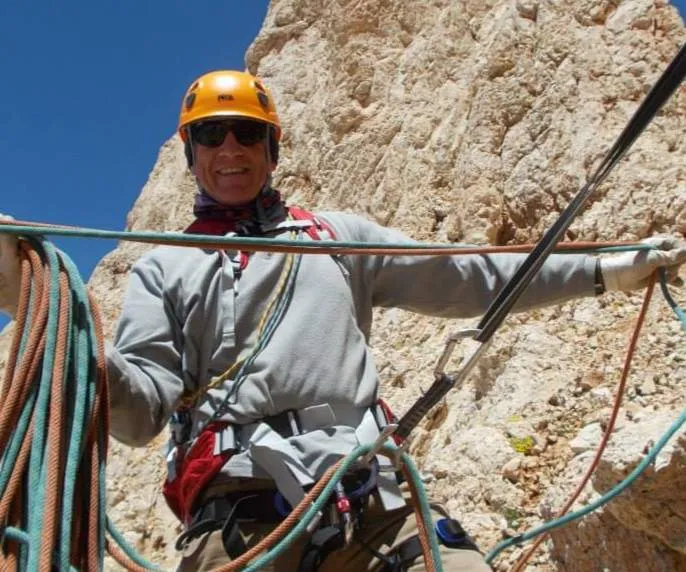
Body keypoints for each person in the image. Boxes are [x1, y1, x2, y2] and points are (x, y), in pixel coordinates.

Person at [1, 70, 685, 572]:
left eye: (248, 132)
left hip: (369, 495)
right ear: (192, 154)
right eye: (212, 133)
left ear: (271, 149)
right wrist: (54, 318)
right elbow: (140, 411)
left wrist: (605, 269)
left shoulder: (335, 237)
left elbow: (470, 274)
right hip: (241, 511)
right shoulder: (165, 268)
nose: (230, 146)